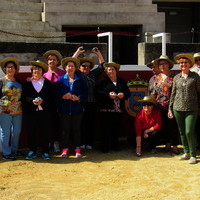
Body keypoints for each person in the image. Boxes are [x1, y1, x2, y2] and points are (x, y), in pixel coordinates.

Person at [168, 53, 200, 164]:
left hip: (192, 108)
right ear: (179, 64)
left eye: (185, 62)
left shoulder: (195, 77)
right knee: (182, 132)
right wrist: (170, 108)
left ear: (190, 64)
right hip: (178, 107)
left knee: (189, 131)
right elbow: (173, 93)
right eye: (181, 62)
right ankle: (186, 152)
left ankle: (193, 154)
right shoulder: (176, 77)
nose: (183, 64)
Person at [72, 46, 105, 150]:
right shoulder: (78, 74)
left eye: (88, 66)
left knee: (91, 123)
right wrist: (77, 52)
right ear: (80, 67)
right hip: (80, 102)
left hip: (92, 102)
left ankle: (89, 142)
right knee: (81, 124)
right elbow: (71, 62)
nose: (86, 67)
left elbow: (103, 66)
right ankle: (81, 142)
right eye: (84, 65)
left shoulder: (93, 74)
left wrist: (98, 53)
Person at [22, 60, 55, 160]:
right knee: (31, 132)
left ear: (42, 71)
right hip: (31, 112)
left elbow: (52, 98)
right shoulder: (27, 84)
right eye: (35, 69)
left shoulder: (48, 83)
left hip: (45, 112)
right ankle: (32, 151)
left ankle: (45, 151)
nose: (37, 71)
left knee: (45, 131)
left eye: (39, 69)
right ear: (32, 71)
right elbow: (23, 97)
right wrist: (32, 101)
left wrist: (43, 101)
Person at [55, 57, 88, 158]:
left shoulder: (80, 80)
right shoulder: (60, 80)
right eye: (68, 66)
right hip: (64, 109)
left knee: (76, 130)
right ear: (65, 68)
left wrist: (78, 98)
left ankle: (77, 149)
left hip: (77, 109)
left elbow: (86, 93)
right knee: (65, 130)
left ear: (75, 68)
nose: (70, 68)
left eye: (72, 66)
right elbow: (55, 94)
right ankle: (65, 149)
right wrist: (63, 96)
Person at [95, 62, 130, 153]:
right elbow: (97, 93)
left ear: (116, 71)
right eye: (109, 70)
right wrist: (108, 95)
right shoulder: (102, 82)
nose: (111, 71)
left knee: (116, 128)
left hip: (118, 110)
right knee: (105, 128)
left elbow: (128, 92)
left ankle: (115, 145)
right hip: (105, 109)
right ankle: (105, 147)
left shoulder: (121, 81)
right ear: (106, 72)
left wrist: (123, 95)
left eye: (113, 69)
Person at [152, 55, 180, 154]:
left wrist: (172, 106)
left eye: (164, 63)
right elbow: (154, 92)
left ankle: (175, 145)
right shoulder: (157, 77)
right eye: (160, 64)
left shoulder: (175, 77)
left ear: (169, 65)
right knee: (164, 126)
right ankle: (167, 144)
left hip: (172, 105)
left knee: (173, 126)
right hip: (159, 106)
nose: (162, 66)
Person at [0, 57, 22, 161]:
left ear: (15, 69)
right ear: (5, 69)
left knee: (16, 131)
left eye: (12, 67)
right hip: (4, 110)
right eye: (8, 67)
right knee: (6, 132)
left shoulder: (19, 81)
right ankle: (6, 153)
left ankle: (14, 150)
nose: (10, 69)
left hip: (18, 110)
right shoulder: (1, 81)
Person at [43, 50, 65, 154]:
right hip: (46, 103)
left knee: (58, 124)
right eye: (50, 59)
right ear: (47, 61)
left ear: (57, 62)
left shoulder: (62, 73)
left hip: (59, 102)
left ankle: (56, 143)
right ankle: (47, 142)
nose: (52, 61)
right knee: (46, 123)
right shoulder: (43, 74)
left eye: (54, 59)